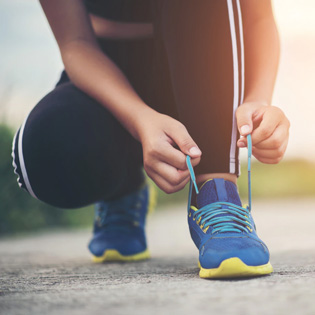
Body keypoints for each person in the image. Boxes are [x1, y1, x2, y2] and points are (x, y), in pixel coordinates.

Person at [11, 0, 289, 278]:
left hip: (204, 64)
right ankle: (123, 189)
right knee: (43, 152)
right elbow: (75, 43)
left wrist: (258, 100)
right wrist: (140, 120)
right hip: (109, 68)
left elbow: (257, 17)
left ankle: (217, 193)